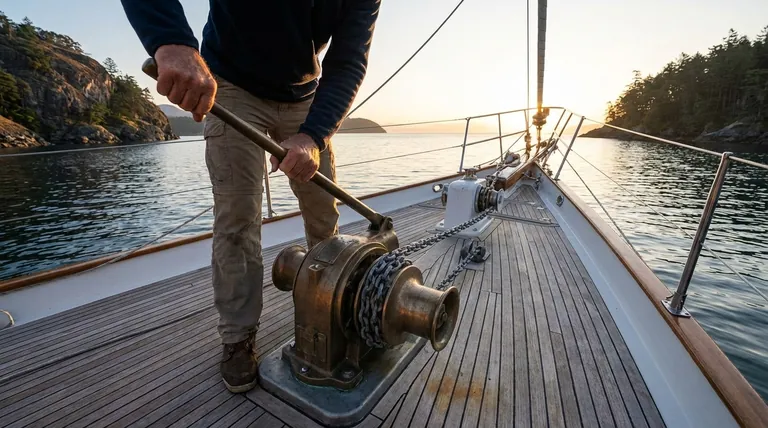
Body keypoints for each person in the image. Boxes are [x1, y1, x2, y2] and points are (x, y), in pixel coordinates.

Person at [121, 0, 381, 393]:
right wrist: (170, 41)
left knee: (323, 215)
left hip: (306, 100)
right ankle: (237, 338)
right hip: (231, 85)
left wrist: (313, 136)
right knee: (238, 219)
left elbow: (348, 62)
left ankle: (333, 304)